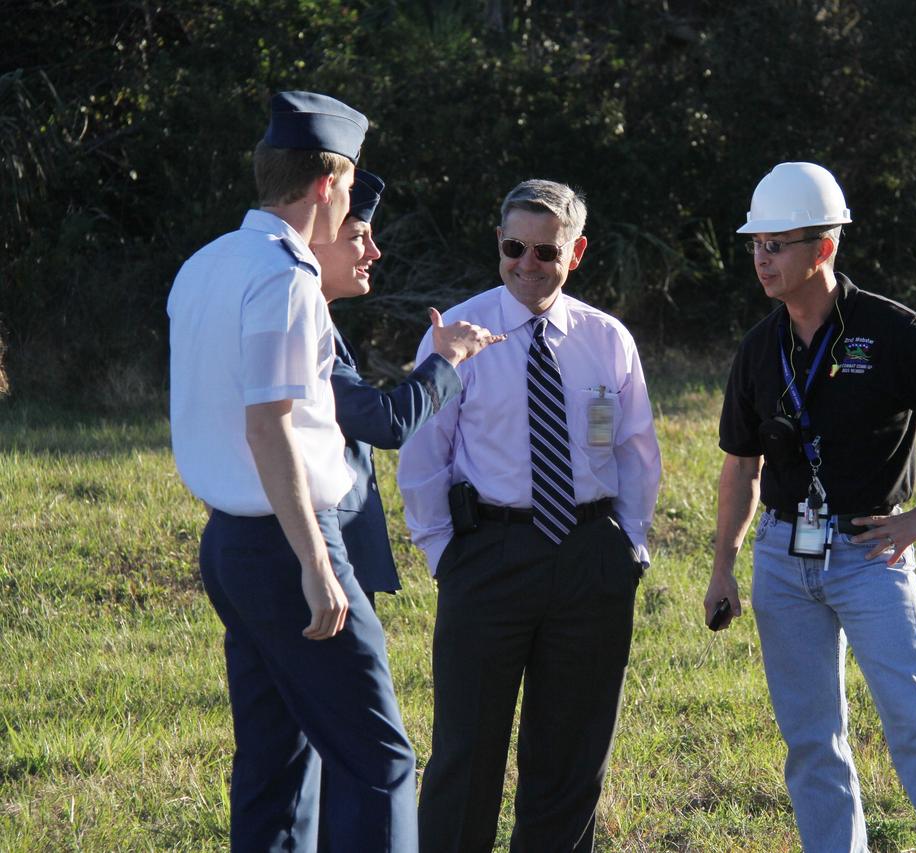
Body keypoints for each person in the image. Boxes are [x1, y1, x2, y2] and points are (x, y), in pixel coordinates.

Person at [702, 162, 916, 853]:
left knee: (914, 722)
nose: (762, 258)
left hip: (873, 553)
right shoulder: (759, 348)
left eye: (778, 244)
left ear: (825, 247)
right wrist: (722, 567)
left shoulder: (892, 330)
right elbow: (740, 467)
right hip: (783, 559)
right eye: (756, 244)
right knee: (811, 741)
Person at [168, 92, 418, 851]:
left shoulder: (206, 263)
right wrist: (316, 562)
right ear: (326, 184)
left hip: (231, 544)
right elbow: (267, 424)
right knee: (379, 759)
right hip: (287, 542)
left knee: (277, 763)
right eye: (350, 188)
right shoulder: (287, 276)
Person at [397, 178, 662, 852]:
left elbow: (636, 453)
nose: (527, 263)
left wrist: (628, 547)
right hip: (488, 554)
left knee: (571, 759)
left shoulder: (607, 340)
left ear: (575, 254)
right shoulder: (455, 334)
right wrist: (445, 555)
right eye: (515, 246)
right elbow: (424, 456)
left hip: (589, 559)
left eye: (546, 252)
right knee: (466, 754)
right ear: (499, 243)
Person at [312, 169, 502, 610]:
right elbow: (386, 423)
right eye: (359, 237)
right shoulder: (306, 327)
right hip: (322, 555)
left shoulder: (318, 320)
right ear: (315, 240)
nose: (375, 253)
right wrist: (448, 360)